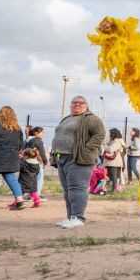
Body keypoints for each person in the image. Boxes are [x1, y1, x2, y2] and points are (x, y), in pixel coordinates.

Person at [51, 96, 106, 228]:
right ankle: (70, 217)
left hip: (79, 158)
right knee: (67, 190)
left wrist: (86, 148)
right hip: (62, 157)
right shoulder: (67, 118)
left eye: (80, 103)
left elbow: (100, 134)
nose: (77, 105)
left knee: (77, 188)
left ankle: (78, 218)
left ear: (86, 105)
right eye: (74, 102)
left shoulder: (91, 118)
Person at [24, 127, 48, 198]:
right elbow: (42, 153)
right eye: (42, 133)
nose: (43, 134)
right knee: (39, 178)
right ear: (36, 133)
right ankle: (37, 194)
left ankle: (28, 194)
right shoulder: (38, 141)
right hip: (36, 162)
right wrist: (45, 161)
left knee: (30, 178)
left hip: (27, 161)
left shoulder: (28, 140)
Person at [102, 128, 126, 193]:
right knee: (110, 176)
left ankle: (113, 190)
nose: (109, 135)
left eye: (110, 133)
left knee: (114, 176)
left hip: (114, 162)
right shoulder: (113, 141)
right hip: (111, 162)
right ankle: (108, 190)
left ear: (113, 134)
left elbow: (110, 149)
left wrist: (105, 145)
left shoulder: (117, 141)